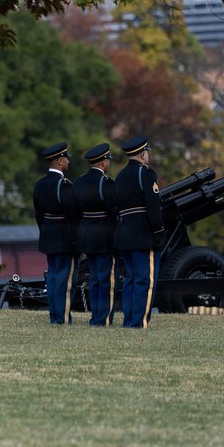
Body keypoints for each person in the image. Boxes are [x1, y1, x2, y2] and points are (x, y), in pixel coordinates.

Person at [113, 136, 165, 329]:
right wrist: (158, 231)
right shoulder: (146, 174)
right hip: (143, 235)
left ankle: (129, 321)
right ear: (143, 154)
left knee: (130, 279)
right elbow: (153, 206)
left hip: (124, 234)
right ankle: (139, 322)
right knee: (145, 280)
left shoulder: (120, 176)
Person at [32, 142, 79, 324]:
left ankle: (55, 316)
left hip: (49, 236)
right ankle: (63, 318)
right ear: (60, 161)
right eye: (66, 158)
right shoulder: (64, 185)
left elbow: (38, 214)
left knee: (52, 278)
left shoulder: (40, 184)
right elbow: (73, 216)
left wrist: (45, 231)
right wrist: (76, 242)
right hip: (64, 238)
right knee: (65, 282)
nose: (68, 161)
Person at [73, 143, 119, 326]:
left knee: (93, 278)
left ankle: (95, 317)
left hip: (86, 235)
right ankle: (104, 318)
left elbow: (75, 211)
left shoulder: (79, 182)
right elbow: (113, 212)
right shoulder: (106, 183)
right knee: (106, 278)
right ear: (103, 162)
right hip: (104, 235)